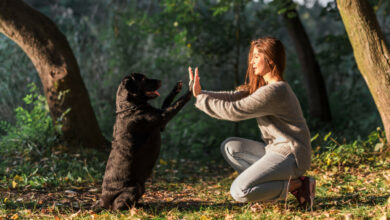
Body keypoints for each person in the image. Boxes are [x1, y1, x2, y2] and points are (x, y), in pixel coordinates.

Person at [188, 37, 315, 208]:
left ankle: (298, 185)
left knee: (239, 191)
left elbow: (234, 110)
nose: (251, 61)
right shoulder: (266, 88)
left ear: (269, 59)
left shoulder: (276, 91)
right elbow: (233, 97)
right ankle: (272, 188)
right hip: (276, 151)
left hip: (292, 155)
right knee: (230, 147)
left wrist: (202, 99)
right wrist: (201, 93)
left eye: (256, 57)